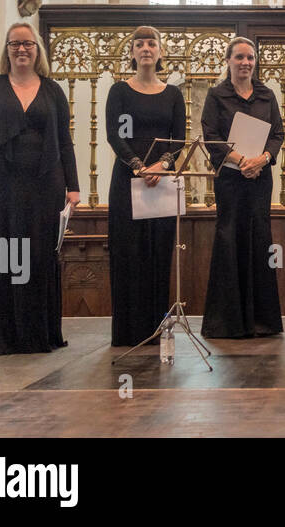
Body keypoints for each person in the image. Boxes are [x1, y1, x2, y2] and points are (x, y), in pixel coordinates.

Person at [0, 22, 80, 354]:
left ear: (37, 49)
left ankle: (36, 334)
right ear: (7, 49)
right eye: (15, 44)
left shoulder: (53, 90)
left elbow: (66, 142)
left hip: (45, 182)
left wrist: (74, 186)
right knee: (1, 253)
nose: (22, 49)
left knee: (38, 255)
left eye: (28, 44)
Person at [104, 26, 187, 347]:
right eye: (139, 44)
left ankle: (155, 330)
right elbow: (114, 134)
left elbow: (178, 138)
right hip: (127, 181)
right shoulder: (119, 91)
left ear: (160, 52)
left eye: (152, 43)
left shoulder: (173, 94)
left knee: (158, 254)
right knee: (129, 254)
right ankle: (127, 332)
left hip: (162, 182)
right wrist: (139, 166)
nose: (146, 48)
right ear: (133, 53)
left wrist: (161, 165)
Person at [200, 36, 285, 339]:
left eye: (250, 57)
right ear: (228, 61)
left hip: (260, 178)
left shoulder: (267, 95)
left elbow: (278, 134)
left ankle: (263, 322)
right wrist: (240, 160)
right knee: (229, 238)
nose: (245, 62)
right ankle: (228, 323)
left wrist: (261, 160)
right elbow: (210, 135)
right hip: (231, 180)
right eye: (239, 57)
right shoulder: (216, 95)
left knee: (260, 238)